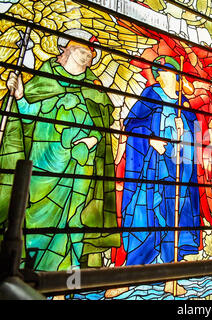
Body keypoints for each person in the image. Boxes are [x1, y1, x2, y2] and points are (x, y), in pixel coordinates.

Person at [0, 29, 120, 271]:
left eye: (92, 51)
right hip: (43, 168)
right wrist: (21, 95)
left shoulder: (94, 89)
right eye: (83, 49)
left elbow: (102, 126)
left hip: (80, 170)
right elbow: (28, 116)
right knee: (34, 219)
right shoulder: (44, 78)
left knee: (73, 221)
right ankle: (31, 275)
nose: (90, 55)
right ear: (65, 49)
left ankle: (66, 285)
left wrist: (93, 141)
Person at [118, 55, 201, 296]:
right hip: (151, 167)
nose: (174, 77)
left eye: (175, 73)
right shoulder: (150, 96)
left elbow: (193, 135)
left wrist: (183, 130)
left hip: (178, 169)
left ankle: (170, 278)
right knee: (146, 215)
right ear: (159, 75)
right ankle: (128, 274)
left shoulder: (182, 104)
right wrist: (151, 139)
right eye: (168, 73)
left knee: (174, 218)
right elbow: (132, 124)